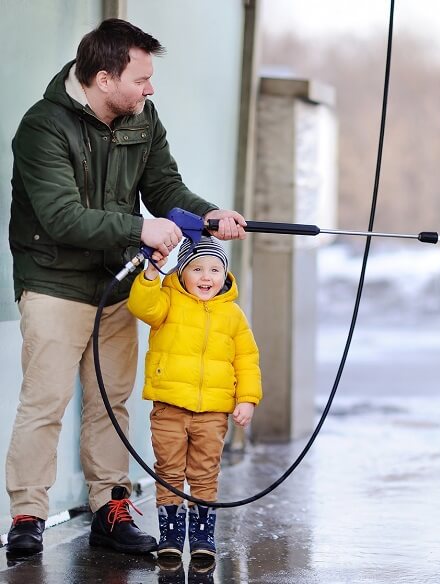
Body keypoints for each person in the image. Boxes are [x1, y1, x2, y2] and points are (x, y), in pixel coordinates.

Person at [5, 18, 247, 556]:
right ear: (104, 78)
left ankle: (109, 509)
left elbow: (163, 186)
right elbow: (63, 216)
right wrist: (140, 228)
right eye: (141, 78)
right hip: (54, 283)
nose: (151, 88)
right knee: (43, 403)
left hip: (116, 286)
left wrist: (209, 215)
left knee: (111, 402)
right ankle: (27, 515)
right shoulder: (42, 128)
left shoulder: (143, 116)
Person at [127, 236, 261, 561]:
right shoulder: (167, 300)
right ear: (182, 271)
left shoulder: (233, 315)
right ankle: (170, 534)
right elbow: (141, 307)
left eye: (215, 269)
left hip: (213, 412)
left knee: (204, 472)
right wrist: (149, 275)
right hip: (170, 405)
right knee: (169, 470)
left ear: (225, 274)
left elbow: (246, 359)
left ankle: (203, 537)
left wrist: (246, 398)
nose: (206, 277)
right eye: (197, 268)